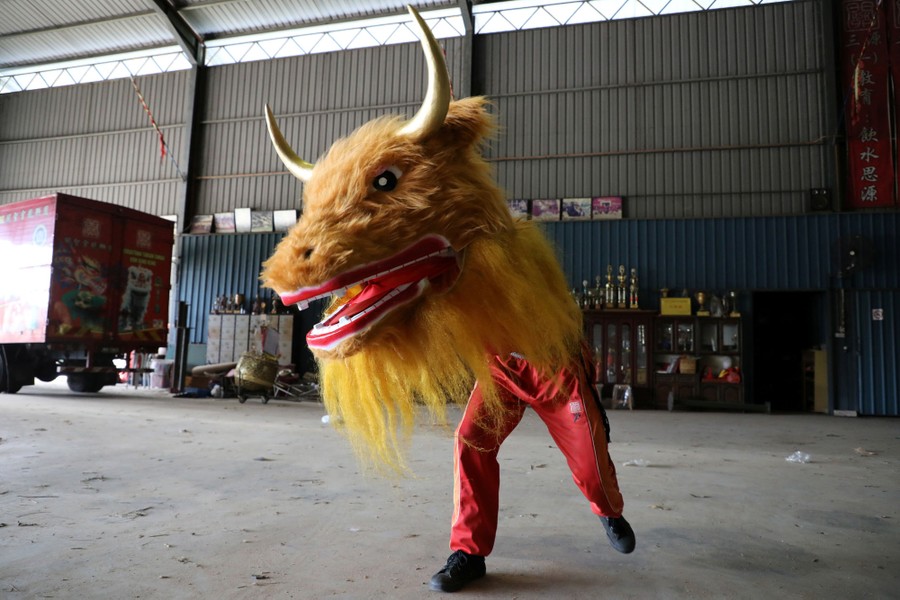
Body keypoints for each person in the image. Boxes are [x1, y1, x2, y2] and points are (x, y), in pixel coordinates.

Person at [429, 346, 636, 593]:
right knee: (470, 440)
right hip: (502, 366)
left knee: (591, 468)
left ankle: (608, 509)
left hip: (556, 365)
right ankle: (470, 553)